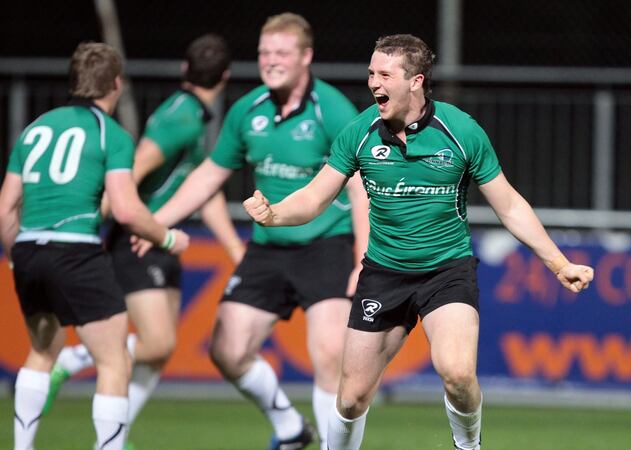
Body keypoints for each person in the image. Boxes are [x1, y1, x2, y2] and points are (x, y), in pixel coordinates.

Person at [242, 33, 595, 450]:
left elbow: (510, 206)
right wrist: (276, 213)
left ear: (416, 81)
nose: (374, 83)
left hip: (447, 272)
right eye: (371, 72)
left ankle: (469, 446)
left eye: (384, 74)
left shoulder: (461, 131)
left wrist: (559, 263)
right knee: (351, 398)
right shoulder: (360, 131)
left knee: (458, 373)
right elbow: (316, 197)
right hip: (384, 274)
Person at [146, 13, 368, 450]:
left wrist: (363, 259)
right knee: (226, 350)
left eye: (282, 52)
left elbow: (360, 190)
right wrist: (158, 221)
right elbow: (209, 175)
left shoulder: (334, 109)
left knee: (328, 353)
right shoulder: (248, 110)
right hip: (268, 247)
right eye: (265, 52)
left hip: (328, 243)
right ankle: (289, 426)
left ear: (306, 57)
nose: (270, 61)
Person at [43, 34, 243, 442]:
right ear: (225, 77)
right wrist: (99, 223)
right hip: (140, 238)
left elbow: (205, 191)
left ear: (185, 69)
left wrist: (235, 247)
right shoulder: (182, 116)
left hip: (161, 236)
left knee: (161, 349)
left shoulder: (195, 117)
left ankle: (116, 435)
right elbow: (132, 169)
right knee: (155, 342)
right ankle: (74, 357)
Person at [0, 42, 189, 450]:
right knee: (113, 359)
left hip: (29, 250)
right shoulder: (112, 134)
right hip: (77, 252)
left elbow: (5, 207)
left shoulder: (36, 128)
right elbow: (125, 209)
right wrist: (168, 237)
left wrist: (17, 256)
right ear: (116, 85)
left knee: (42, 349)